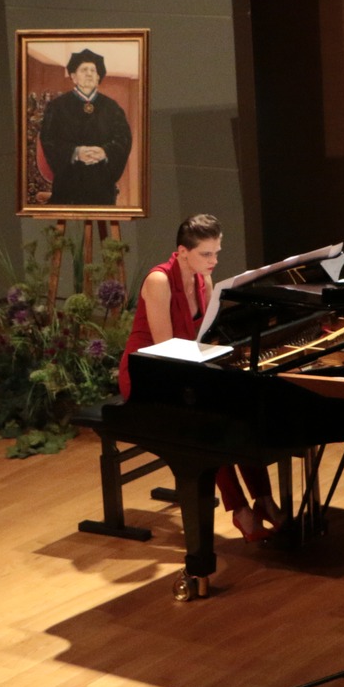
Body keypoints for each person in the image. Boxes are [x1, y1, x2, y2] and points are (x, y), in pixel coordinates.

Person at [118, 213, 284, 542]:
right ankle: (240, 510)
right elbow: (165, 349)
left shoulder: (203, 280)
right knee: (208, 423)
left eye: (216, 253)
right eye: (206, 254)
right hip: (149, 374)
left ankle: (264, 500)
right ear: (182, 252)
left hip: (185, 368)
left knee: (239, 411)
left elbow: (209, 337)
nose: (214, 260)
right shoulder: (159, 281)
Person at [38, 49, 133, 206]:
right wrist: (75, 152)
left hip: (102, 186)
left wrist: (105, 152)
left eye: (93, 71)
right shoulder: (57, 107)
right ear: (74, 77)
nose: (89, 74)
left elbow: (124, 139)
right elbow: (48, 140)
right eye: (84, 70)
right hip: (67, 186)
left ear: (98, 78)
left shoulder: (112, 107)